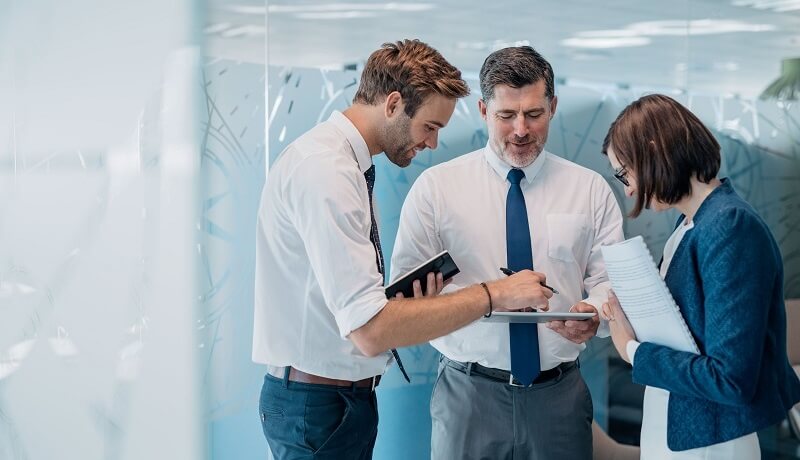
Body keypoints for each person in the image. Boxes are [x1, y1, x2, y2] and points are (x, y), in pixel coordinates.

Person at [253, 39, 553, 460]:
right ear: (393, 104)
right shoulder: (327, 171)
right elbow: (371, 331)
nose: (432, 143)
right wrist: (495, 294)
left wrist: (411, 306)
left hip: (331, 402)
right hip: (318, 407)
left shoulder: (343, 164)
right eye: (430, 126)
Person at [390, 46, 624, 459]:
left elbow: (611, 282)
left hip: (559, 398)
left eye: (534, 114)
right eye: (506, 115)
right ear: (483, 110)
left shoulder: (590, 190)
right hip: (468, 397)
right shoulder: (436, 190)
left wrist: (594, 313)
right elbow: (406, 299)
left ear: (553, 107)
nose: (520, 130)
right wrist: (483, 297)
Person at [600, 94, 800, 459]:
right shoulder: (689, 225)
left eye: (624, 172)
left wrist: (632, 350)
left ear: (654, 150)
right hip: (680, 432)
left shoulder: (730, 226)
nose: (627, 188)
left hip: (711, 443)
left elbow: (730, 378)